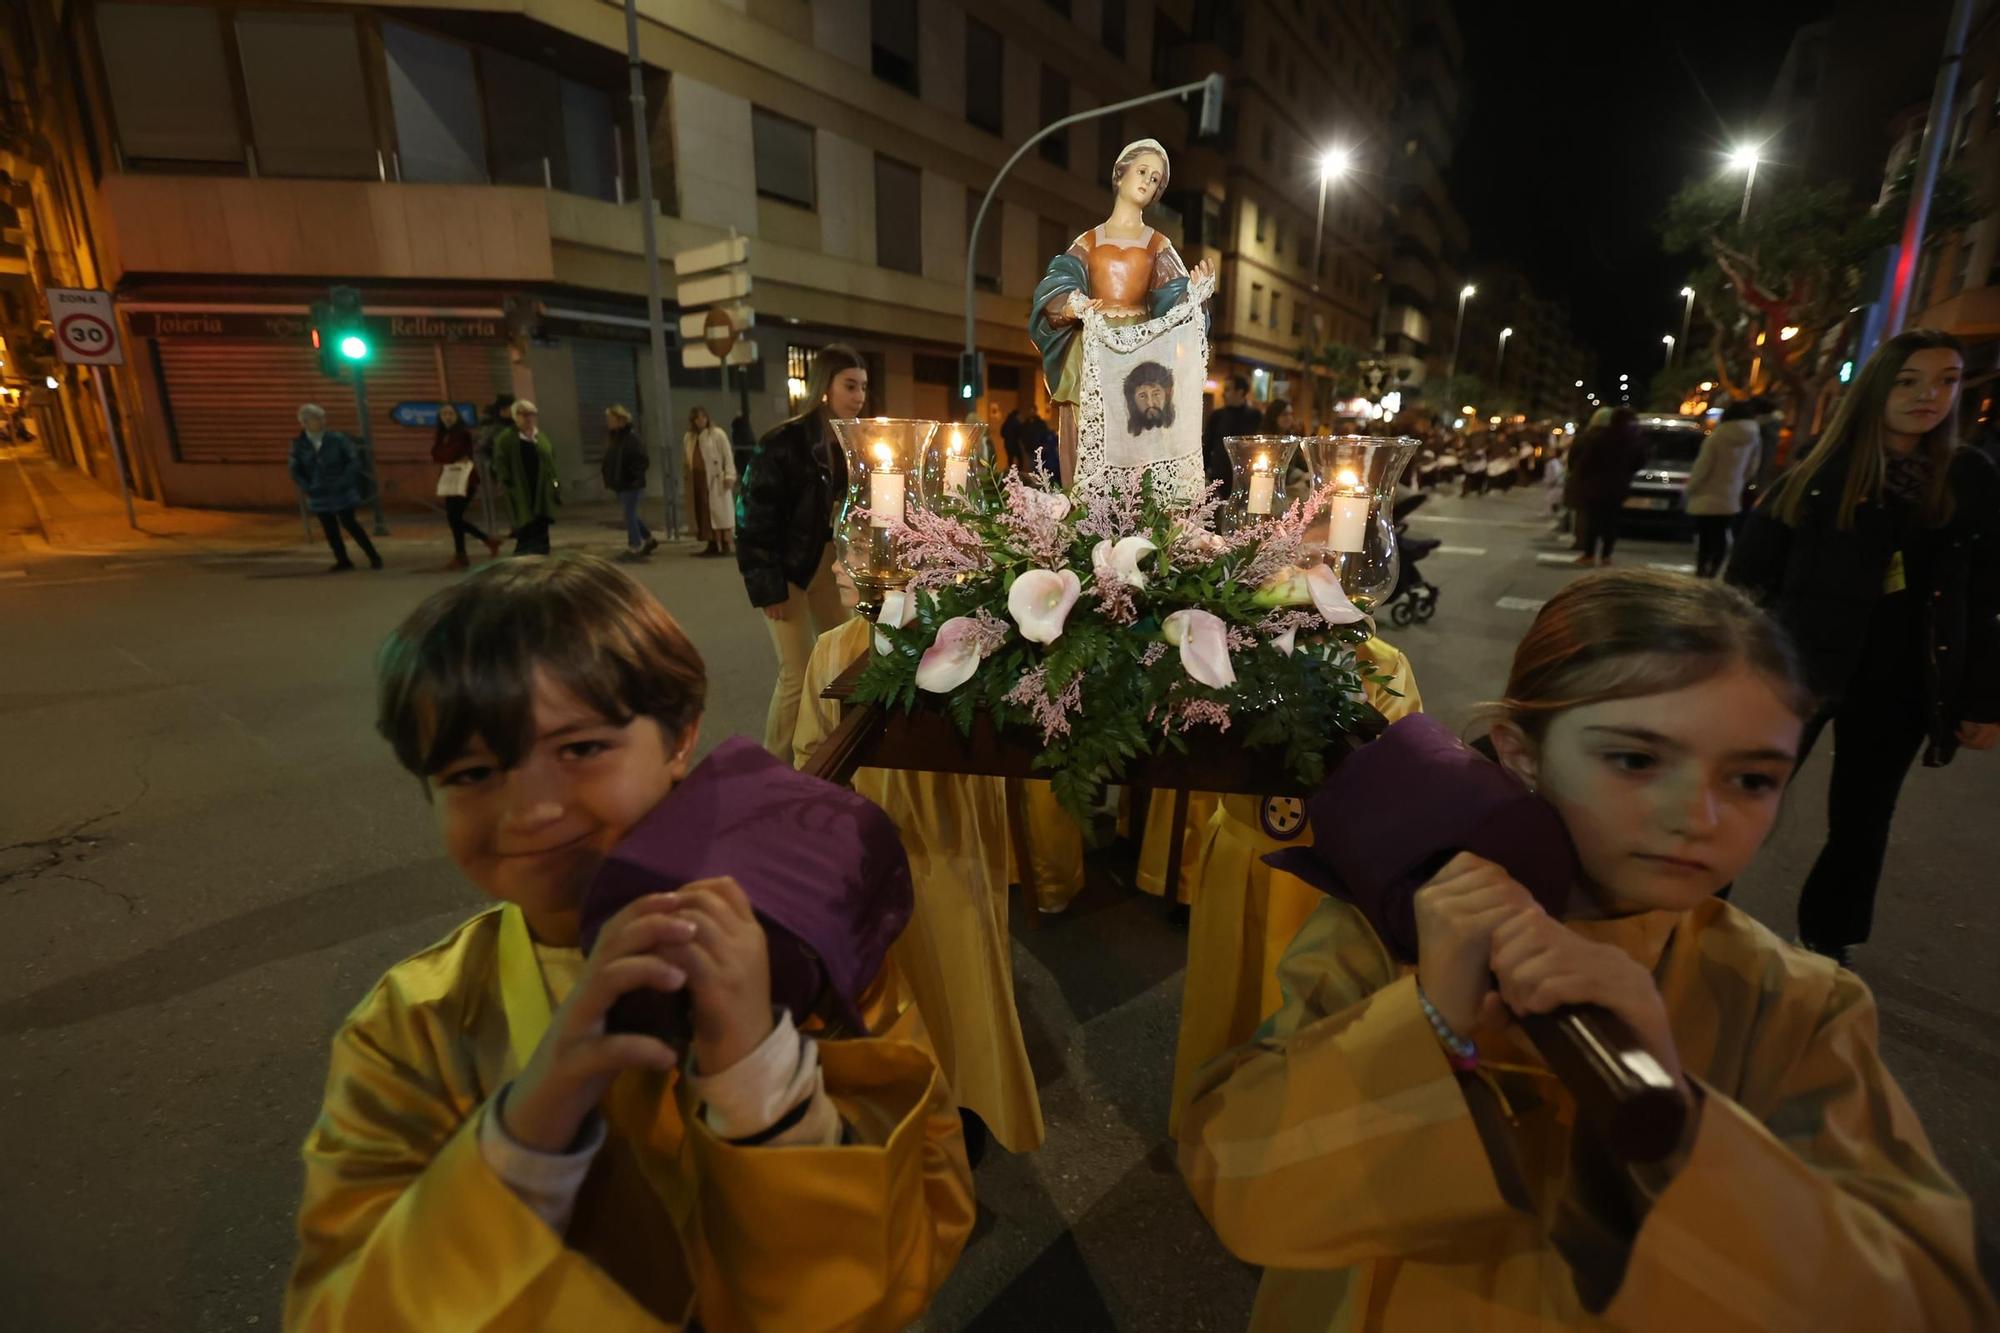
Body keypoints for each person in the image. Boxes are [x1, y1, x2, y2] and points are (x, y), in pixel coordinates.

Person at [1180, 569, 1992, 1331]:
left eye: (1751, 779)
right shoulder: (1400, 928)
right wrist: (1427, 1020)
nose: (1700, 816)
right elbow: (1240, 1187)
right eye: (1635, 759)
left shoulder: (1794, 1001)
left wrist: (1679, 1119)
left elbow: (1918, 1300)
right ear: (1521, 748)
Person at [285, 554, 974, 1329]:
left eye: (579, 748)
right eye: (473, 771)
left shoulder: (796, 942)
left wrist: (761, 1070)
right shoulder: (412, 1024)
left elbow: (923, 1232)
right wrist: (529, 1124)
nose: (530, 809)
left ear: (680, 735)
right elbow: (339, 1312)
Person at [1728, 329, 2000, 965]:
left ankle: (1828, 939)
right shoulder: (1819, 471)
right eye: (1908, 381)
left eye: (1947, 380)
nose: (1928, 395)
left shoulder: (1971, 478)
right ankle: (1692, 910)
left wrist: (1984, 696)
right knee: (1742, 797)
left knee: (1862, 818)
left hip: (1902, 681)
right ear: (1876, 388)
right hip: (1799, 668)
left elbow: (1989, 595)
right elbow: (1744, 586)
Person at [1165, 636, 1424, 1138]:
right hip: (1246, 849)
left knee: (1315, 1019)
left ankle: (1292, 1136)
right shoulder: (1233, 642)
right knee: (1226, 999)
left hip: (1329, 871)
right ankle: (1210, 1126)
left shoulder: (1379, 663)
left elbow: (1398, 768)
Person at [1030, 138, 1215, 483]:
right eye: (1142, 171)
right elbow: (1057, 283)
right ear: (1120, 174)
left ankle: (1134, 522)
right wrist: (1071, 302)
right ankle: (1084, 520)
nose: (1148, 181)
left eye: (1156, 179)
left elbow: (1173, 302)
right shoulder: (1088, 241)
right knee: (1088, 430)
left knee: (1137, 433)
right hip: (1093, 347)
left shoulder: (1157, 244)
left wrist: (1194, 296)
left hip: (1137, 352)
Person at [737, 344, 867, 755]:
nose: (859, 396)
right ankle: (772, 767)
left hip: (828, 565)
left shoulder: (853, 441)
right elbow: (752, 519)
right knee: (796, 672)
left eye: (863, 387)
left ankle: (823, 751)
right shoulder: (783, 443)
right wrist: (768, 587)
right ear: (823, 387)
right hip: (787, 571)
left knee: (842, 659)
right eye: (850, 385)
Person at [288, 404, 382, 574]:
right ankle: (342, 560)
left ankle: (373, 556)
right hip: (318, 492)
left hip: (341, 490)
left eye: (322, 418)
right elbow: (295, 469)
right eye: (316, 419)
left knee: (350, 523)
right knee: (329, 528)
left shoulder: (337, 439)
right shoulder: (299, 444)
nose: (321, 422)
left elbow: (353, 461)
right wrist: (307, 486)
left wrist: (345, 481)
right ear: (305, 422)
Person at [1683, 400, 1762, 578]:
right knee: (1720, 534)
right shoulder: (1753, 438)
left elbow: (1703, 467)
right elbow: (1752, 468)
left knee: (1705, 536)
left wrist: (1690, 489)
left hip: (1707, 494)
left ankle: (1702, 570)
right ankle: (1714, 571)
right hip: (1731, 494)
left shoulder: (1717, 438)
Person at [1570, 406, 1644, 565]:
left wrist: (1582, 477)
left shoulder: (1602, 437)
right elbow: (1639, 461)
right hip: (1619, 485)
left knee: (1594, 520)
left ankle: (1589, 555)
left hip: (1597, 484)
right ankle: (1606, 555)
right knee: (1611, 521)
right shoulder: (1634, 440)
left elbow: (1587, 461)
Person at [431, 405, 499, 569]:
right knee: (453, 518)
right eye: (444, 414)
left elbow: (448, 454)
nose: (447, 417)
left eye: (451, 413)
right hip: (451, 479)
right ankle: (478, 545)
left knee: (455, 517)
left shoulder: (462, 433)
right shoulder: (442, 434)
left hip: (465, 480)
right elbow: (435, 454)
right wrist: (444, 453)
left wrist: (444, 453)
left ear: (457, 416)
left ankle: (468, 551)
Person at [490, 399, 559, 556]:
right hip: (520, 487)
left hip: (541, 488)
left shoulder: (540, 437)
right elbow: (500, 463)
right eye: (524, 414)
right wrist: (506, 481)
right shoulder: (507, 438)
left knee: (541, 522)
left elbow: (551, 460)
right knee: (525, 524)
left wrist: (555, 483)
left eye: (532, 414)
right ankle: (525, 558)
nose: (528, 418)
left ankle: (541, 556)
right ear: (516, 416)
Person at [599, 405, 657, 559]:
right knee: (630, 514)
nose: (608, 422)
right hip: (621, 483)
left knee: (629, 514)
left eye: (611, 419)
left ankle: (635, 546)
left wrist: (633, 478)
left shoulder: (631, 439)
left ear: (620, 420)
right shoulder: (615, 438)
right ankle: (649, 539)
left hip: (631, 484)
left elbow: (642, 461)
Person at [689, 406, 737, 557]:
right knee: (705, 512)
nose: (701, 420)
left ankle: (725, 544)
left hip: (716, 478)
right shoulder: (691, 438)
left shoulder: (717, 434)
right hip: (700, 479)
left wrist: (729, 475)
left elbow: (727, 455)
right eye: (697, 418)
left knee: (721, 513)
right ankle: (711, 543)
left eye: (703, 417)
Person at [1203, 375, 1263, 492]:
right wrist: (1203, 469)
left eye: (1228, 389)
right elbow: (1207, 444)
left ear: (1240, 392)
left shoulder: (1255, 416)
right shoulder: (1217, 416)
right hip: (1219, 475)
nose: (1224, 394)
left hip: (1246, 476)